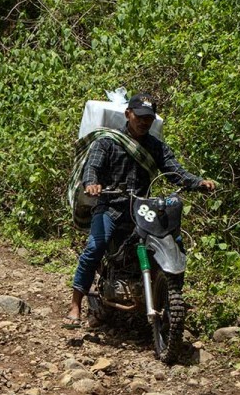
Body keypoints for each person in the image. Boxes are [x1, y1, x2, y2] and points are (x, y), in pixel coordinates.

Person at [64, 92, 216, 328]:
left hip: (142, 209)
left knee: (172, 242)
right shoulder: (107, 142)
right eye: (140, 116)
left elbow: (175, 171)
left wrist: (198, 182)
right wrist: (92, 183)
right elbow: (91, 167)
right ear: (128, 114)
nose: (144, 122)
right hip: (110, 206)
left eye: (149, 118)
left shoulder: (156, 147)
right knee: (96, 246)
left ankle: (166, 295)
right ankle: (75, 305)